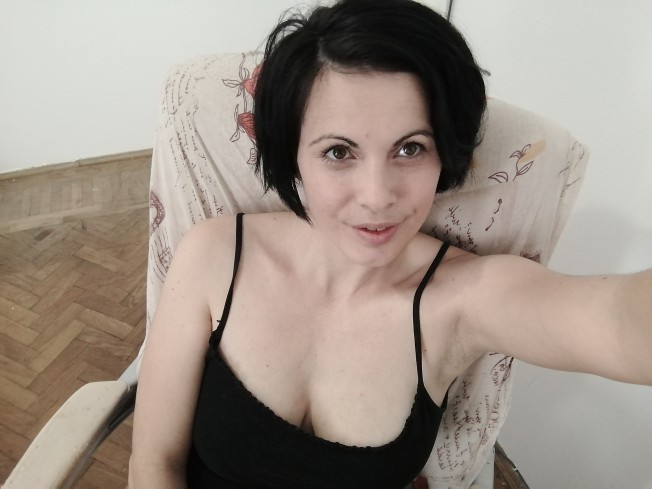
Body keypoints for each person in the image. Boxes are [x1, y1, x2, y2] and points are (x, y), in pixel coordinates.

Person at [129, 0, 652, 487]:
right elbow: (155, 462)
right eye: (339, 152)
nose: (378, 196)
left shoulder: (463, 298)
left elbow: (617, 323)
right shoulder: (215, 256)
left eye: (410, 148)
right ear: (293, 156)